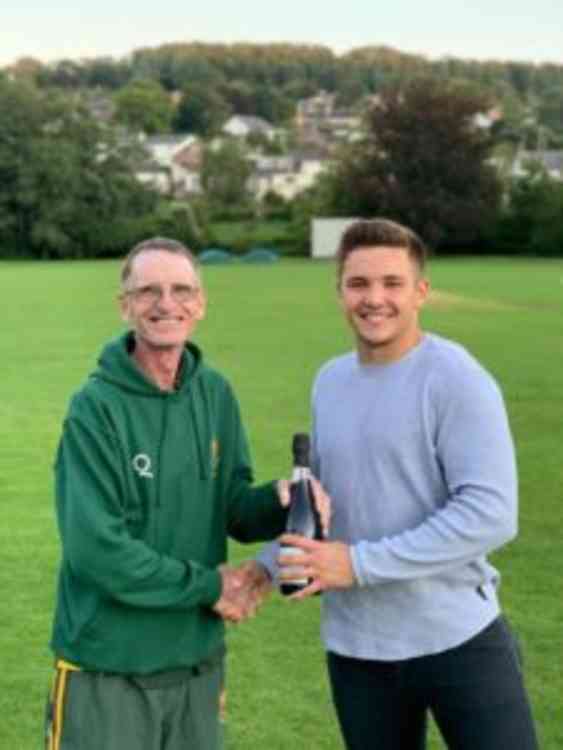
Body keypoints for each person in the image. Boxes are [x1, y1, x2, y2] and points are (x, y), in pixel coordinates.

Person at [259, 218, 538, 749]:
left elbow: (491, 513)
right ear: (339, 291)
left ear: (421, 292)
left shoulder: (456, 377)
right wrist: (264, 568)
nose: (375, 299)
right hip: (358, 651)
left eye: (392, 283)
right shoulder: (330, 380)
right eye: (359, 283)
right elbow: (323, 503)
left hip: (459, 638)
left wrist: (358, 565)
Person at [45, 237, 326, 750]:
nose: (166, 304)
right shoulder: (94, 408)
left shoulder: (215, 393)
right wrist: (210, 586)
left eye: (181, 290)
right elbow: (96, 551)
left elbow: (235, 508)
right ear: (124, 305)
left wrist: (281, 500)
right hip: (108, 668)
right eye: (148, 290)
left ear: (200, 303)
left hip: (197, 664)